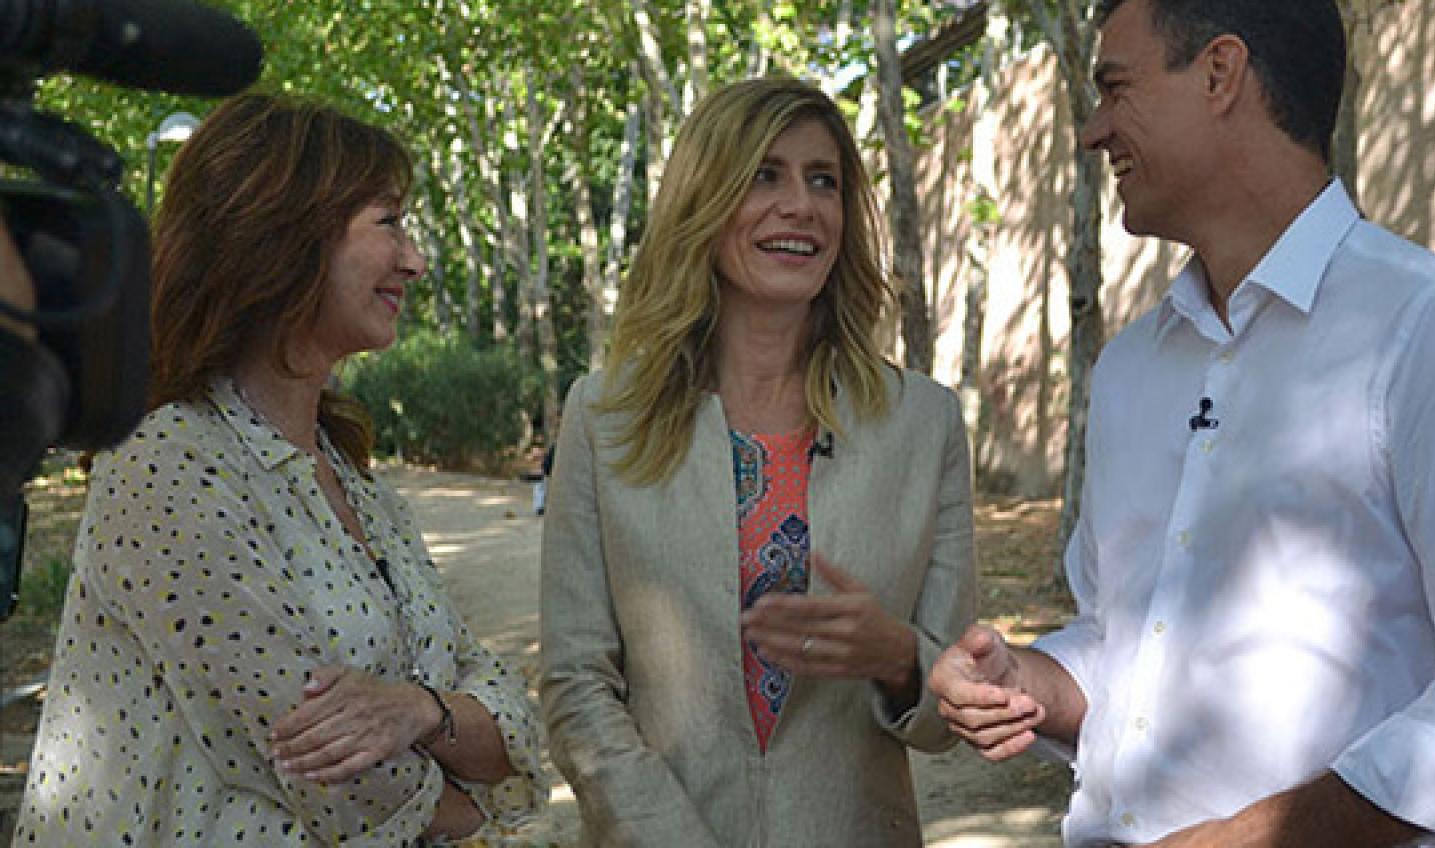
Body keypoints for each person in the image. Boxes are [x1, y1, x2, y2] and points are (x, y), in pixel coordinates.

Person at [929, 0, 1435, 847]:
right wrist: (1030, 683)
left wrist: (1247, 839)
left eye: (1115, 87)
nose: (1092, 130)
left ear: (1220, 74)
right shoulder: (1131, 367)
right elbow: (1126, 645)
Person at [16, 94, 545, 845]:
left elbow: (504, 707)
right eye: (389, 222)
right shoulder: (169, 462)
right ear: (284, 237)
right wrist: (481, 808)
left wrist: (420, 709)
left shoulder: (356, 484)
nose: (417, 260)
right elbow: (333, 773)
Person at [540, 75, 976, 846]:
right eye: (763, 175)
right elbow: (576, 687)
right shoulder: (603, 416)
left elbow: (952, 715)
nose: (801, 205)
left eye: (824, 181)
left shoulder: (925, 423)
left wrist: (903, 659)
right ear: (704, 201)